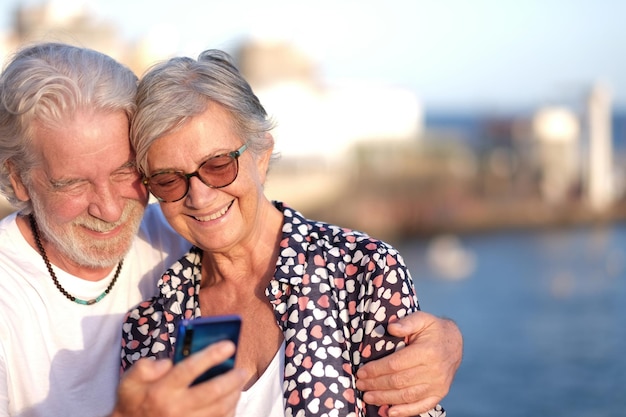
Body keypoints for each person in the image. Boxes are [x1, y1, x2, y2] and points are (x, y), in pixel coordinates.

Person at [0, 42, 461, 417]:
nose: (199, 197)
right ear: (17, 179)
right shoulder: (155, 315)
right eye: (168, 179)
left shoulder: (359, 271)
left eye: (218, 165)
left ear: (261, 153)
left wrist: (449, 340)